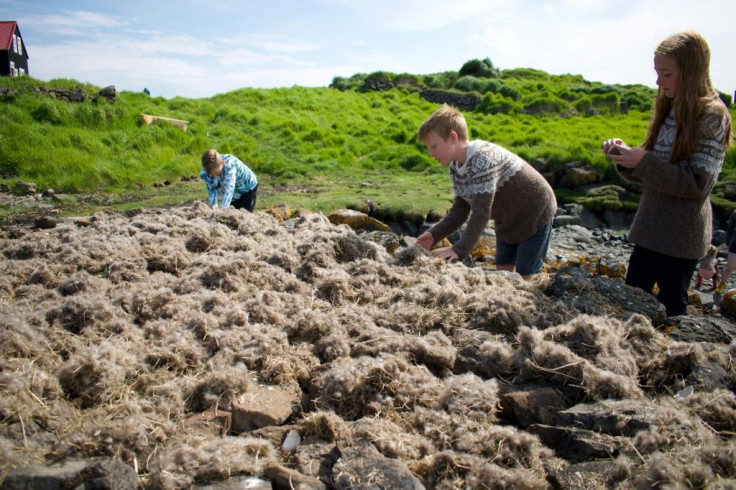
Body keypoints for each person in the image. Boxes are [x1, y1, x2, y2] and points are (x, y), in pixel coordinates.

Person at [602, 31, 732, 316]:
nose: (659, 82)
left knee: (671, 310)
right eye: (657, 73)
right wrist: (626, 158)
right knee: (632, 305)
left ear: (691, 71)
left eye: (666, 73)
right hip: (649, 230)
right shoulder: (669, 107)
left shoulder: (713, 115)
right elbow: (653, 171)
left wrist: (644, 160)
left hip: (680, 238)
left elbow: (698, 184)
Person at [416, 104, 557, 279]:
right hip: (507, 218)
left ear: (453, 137)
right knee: (503, 270)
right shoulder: (456, 169)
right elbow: (460, 212)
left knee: (526, 277)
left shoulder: (482, 159)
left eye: (433, 146)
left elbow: (481, 212)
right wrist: (433, 235)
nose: (430, 153)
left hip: (536, 209)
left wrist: (460, 249)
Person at [715, 210, 736, 294]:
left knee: (733, 267)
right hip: (735, 243)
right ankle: (722, 284)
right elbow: (730, 229)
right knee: (730, 267)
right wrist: (727, 242)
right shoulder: (734, 214)